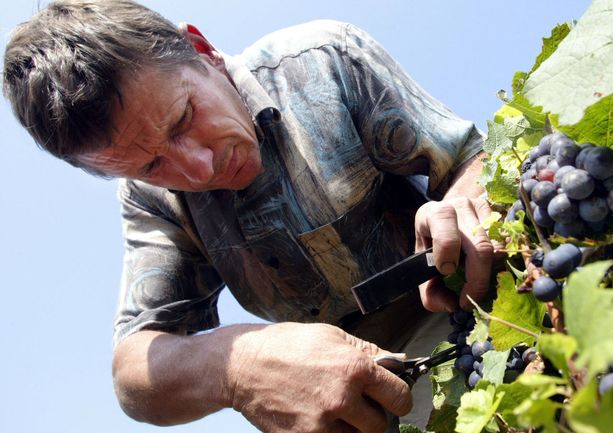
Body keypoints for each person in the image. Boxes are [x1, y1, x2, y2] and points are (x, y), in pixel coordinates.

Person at [3, 1, 494, 432]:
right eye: (152, 166)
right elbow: (134, 374)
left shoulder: (323, 62)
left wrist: (463, 204)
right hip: (345, 407)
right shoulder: (150, 201)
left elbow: (475, 162)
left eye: (183, 119)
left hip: (469, 322)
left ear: (202, 50)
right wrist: (236, 366)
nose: (198, 168)